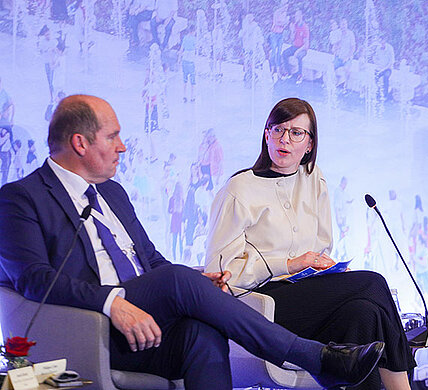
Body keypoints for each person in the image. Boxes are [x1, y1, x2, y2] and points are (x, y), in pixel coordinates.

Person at [0, 94, 387, 389]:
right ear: (80, 143)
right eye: (113, 136)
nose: (122, 146)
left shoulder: (113, 193)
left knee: (202, 332)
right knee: (178, 280)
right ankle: (311, 355)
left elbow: (151, 262)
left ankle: (314, 356)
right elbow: (34, 278)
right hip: (91, 325)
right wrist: (112, 302)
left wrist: (200, 284)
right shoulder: (21, 197)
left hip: (146, 325)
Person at [205, 98, 415, 390]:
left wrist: (324, 270)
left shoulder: (314, 179)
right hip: (261, 308)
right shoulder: (239, 188)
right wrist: (289, 264)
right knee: (372, 283)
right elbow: (220, 275)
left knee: (364, 312)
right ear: (266, 135)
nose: (285, 139)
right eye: (278, 130)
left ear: (310, 144)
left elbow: (320, 249)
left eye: (296, 133)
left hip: (307, 298)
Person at [281, 10, 309, 84]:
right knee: (284, 54)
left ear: (301, 16)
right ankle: (288, 72)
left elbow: (306, 45)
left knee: (299, 56)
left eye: (297, 16)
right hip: (295, 46)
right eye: (295, 16)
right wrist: (292, 31)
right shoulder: (295, 26)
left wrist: (298, 51)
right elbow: (292, 39)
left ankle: (300, 75)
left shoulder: (304, 27)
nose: (296, 18)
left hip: (303, 48)